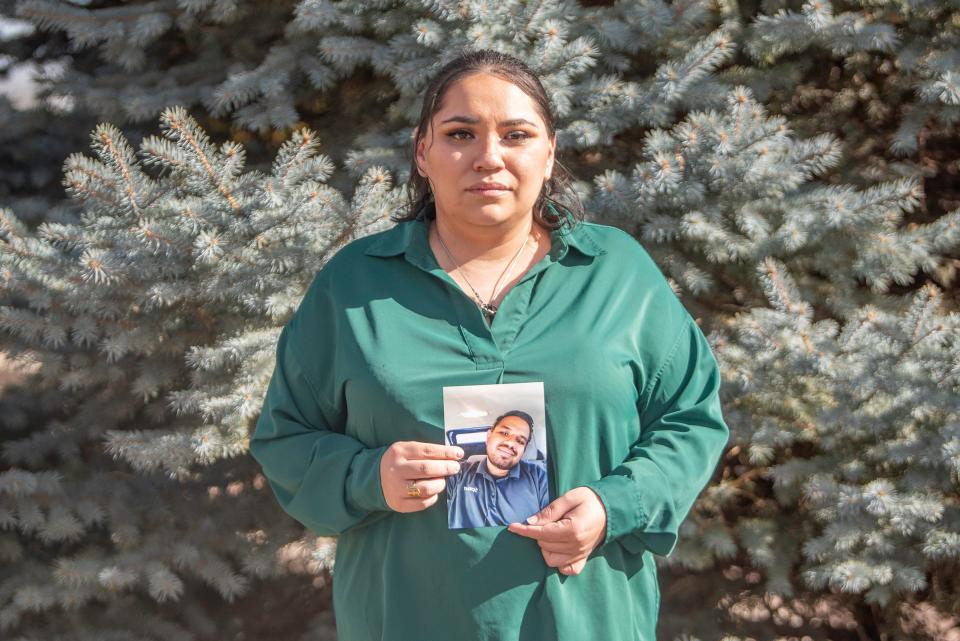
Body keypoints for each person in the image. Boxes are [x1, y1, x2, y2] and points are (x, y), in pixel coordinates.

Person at [249, 48, 730, 641]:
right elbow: (285, 437)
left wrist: (613, 507)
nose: (488, 157)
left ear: (548, 153)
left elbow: (691, 418)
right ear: (423, 154)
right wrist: (369, 476)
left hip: (586, 621)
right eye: (461, 134)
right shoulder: (352, 286)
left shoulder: (617, 272)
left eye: (516, 134)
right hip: (405, 620)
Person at [447, 410, 549, 529]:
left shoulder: (539, 476)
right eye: (504, 433)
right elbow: (422, 494)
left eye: (520, 441)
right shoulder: (457, 472)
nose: (510, 443)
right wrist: (418, 491)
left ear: (524, 450)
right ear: (488, 436)